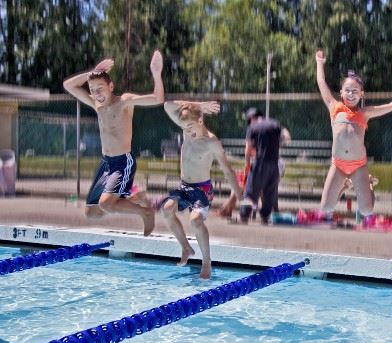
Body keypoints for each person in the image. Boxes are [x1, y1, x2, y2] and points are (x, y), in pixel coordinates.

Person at [63, 50, 164, 236]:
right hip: (106, 163)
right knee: (91, 213)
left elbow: (157, 98)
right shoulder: (96, 104)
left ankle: (146, 212)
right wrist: (91, 73)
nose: (96, 93)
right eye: (92, 90)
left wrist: (157, 74)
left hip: (122, 162)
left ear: (111, 86)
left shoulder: (124, 101)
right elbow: (68, 85)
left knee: (106, 204)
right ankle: (137, 197)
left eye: (100, 88)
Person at [315, 49, 392, 217]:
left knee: (366, 210)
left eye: (355, 91)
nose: (351, 94)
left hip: (358, 165)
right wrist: (319, 63)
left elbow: (390, 106)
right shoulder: (334, 107)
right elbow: (321, 81)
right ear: (341, 92)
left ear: (361, 94)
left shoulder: (364, 113)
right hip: (338, 164)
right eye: (347, 90)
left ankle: (369, 183)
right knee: (326, 207)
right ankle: (344, 186)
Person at [159, 100, 242, 279]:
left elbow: (227, 169)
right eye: (184, 127)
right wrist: (199, 105)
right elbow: (167, 105)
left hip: (202, 189)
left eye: (190, 127)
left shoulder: (212, 142)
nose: (187, 131)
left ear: (201, 121)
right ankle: (186, 248)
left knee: (195, 221)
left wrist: (240, 196)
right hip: (184, 186)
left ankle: (206, 263)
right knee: (166, 210)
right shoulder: (188, 130)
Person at [239, 107, 290, 224]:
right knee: (270, 192)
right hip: (274, 163)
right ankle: (265, 217)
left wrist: (247, 164)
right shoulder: (275, 124)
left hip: (260, 163)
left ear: (252, 118)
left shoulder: (253, 127)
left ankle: (244, 216)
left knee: (251, 191)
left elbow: (248, 149)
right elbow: (286, 137)